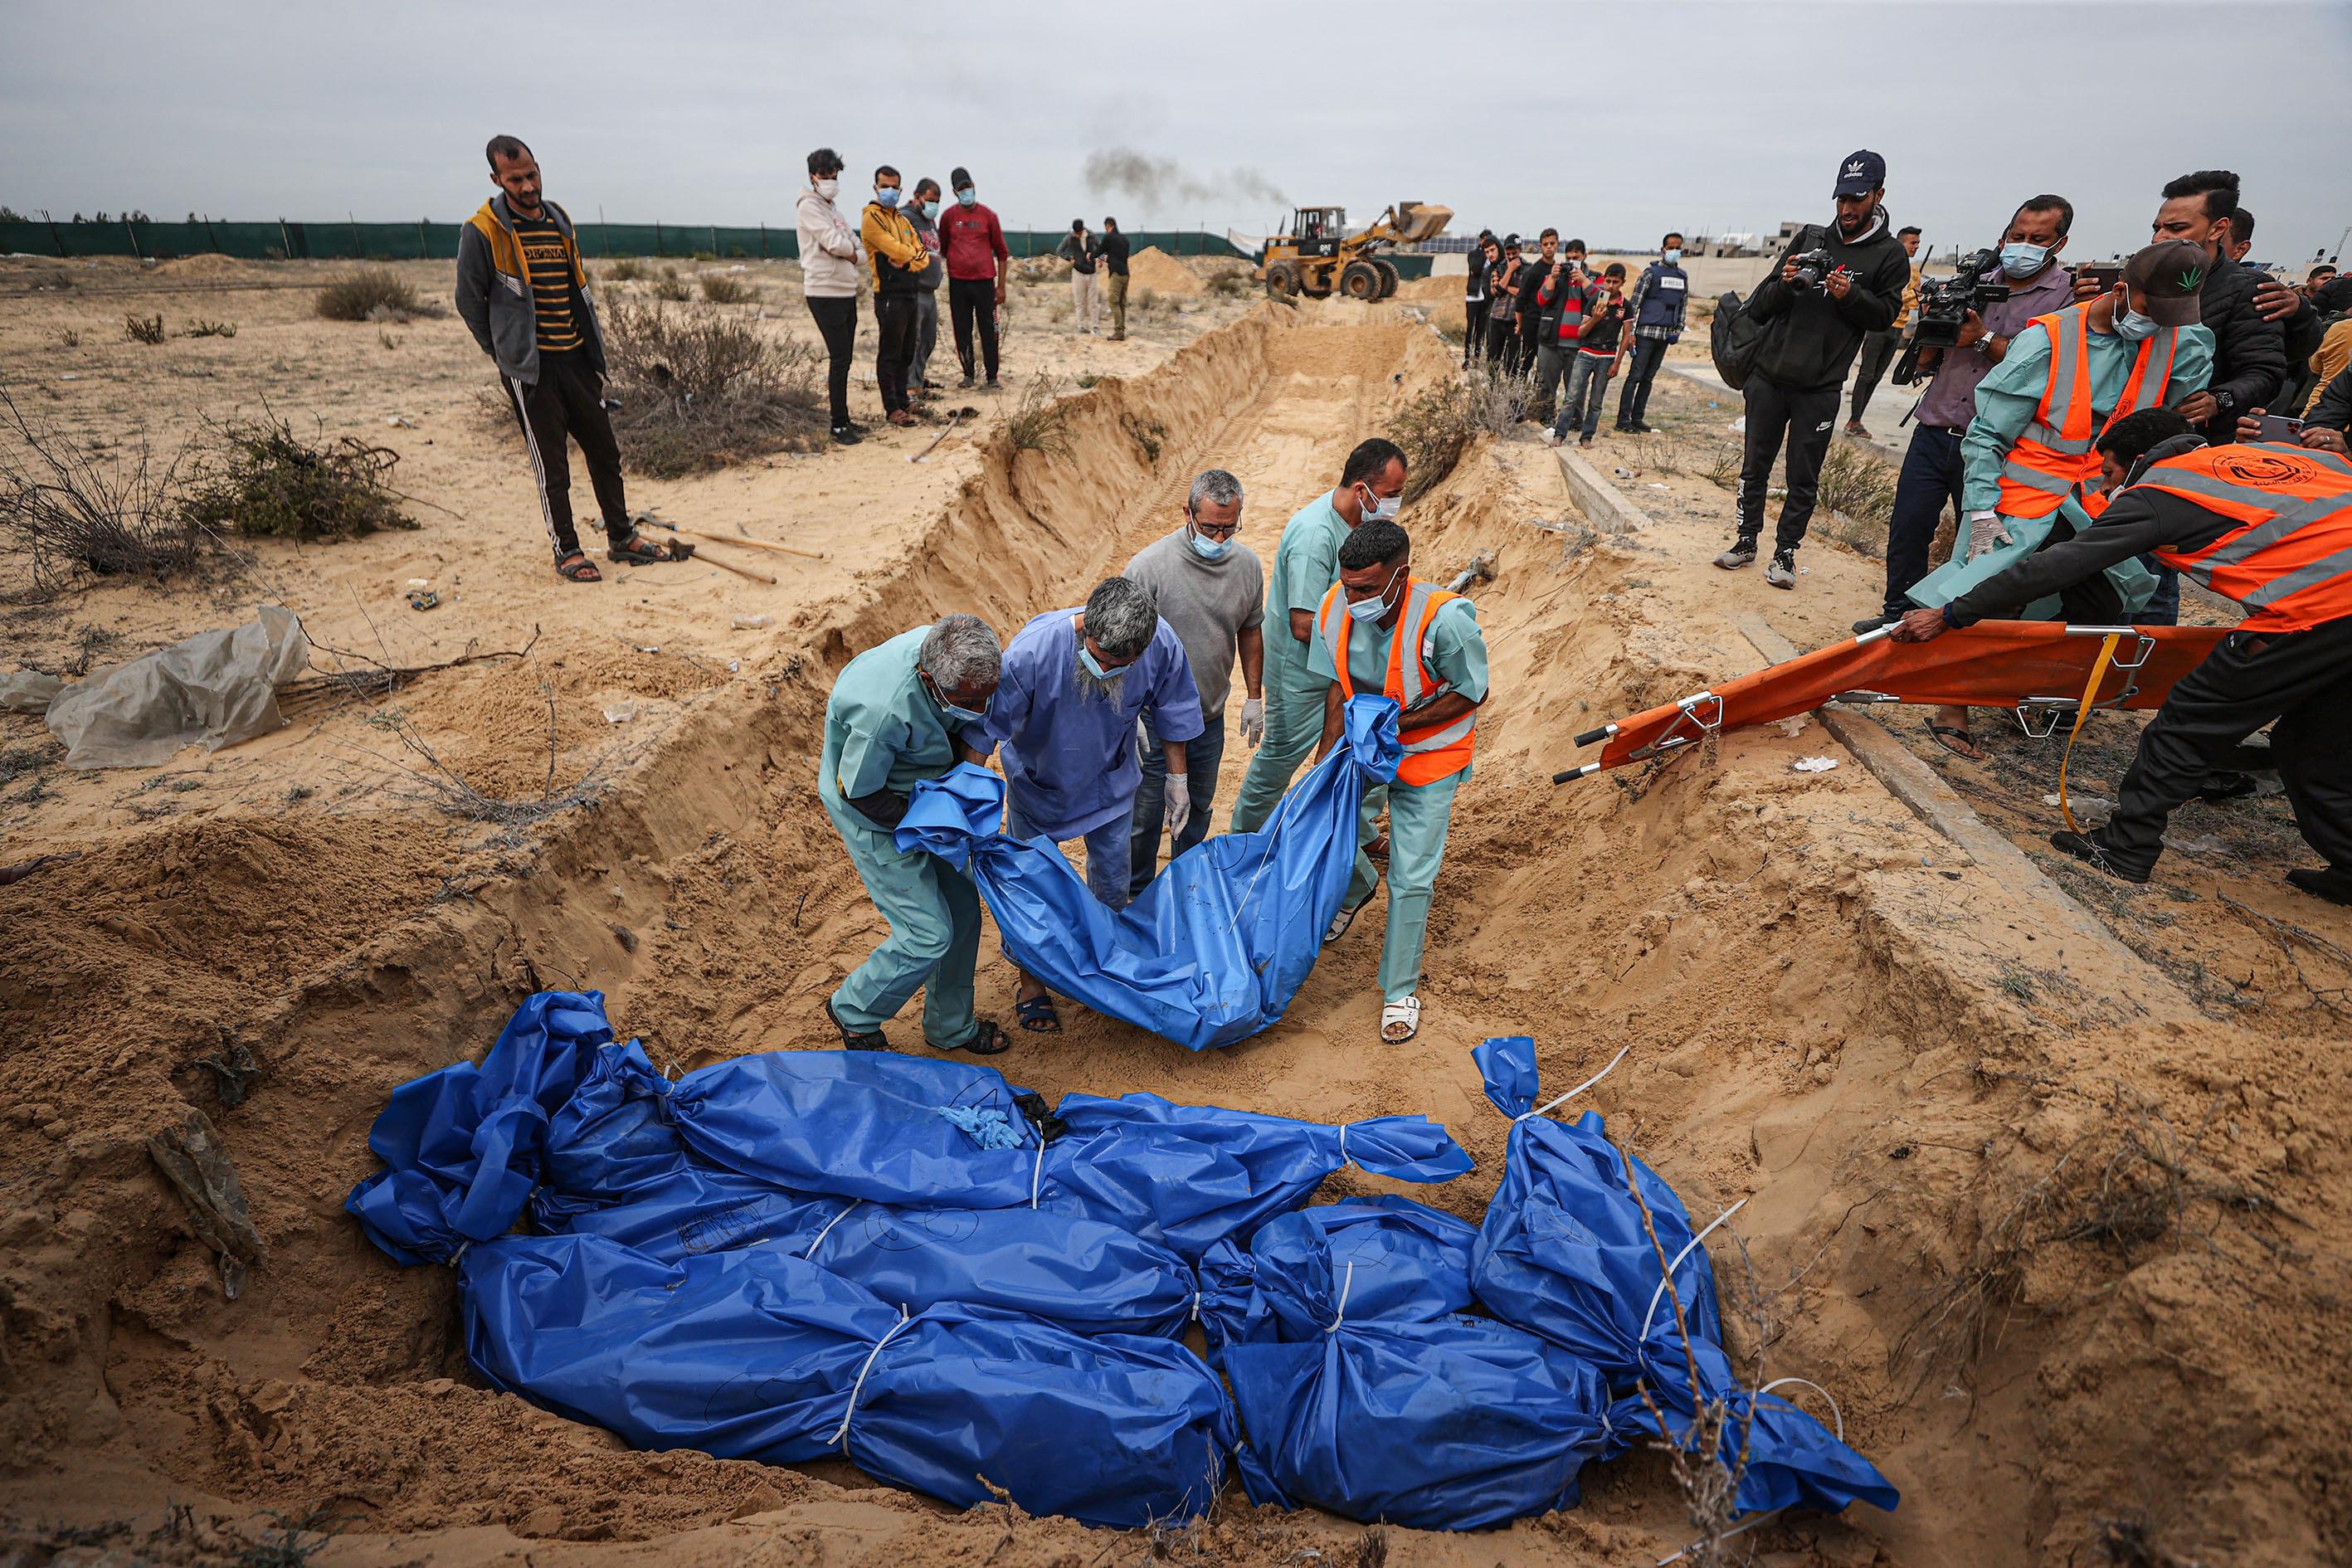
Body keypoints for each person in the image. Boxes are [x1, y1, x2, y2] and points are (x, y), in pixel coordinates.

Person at [1893, 407, 2352, 907]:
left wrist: (1954, 612)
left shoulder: (2166, 490)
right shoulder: (2284, 457)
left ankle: (2126, 846)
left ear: (2136, 462)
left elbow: (2061, 565)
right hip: (2333, 612)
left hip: (2320, 611)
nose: (2105, 484)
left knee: (2188, 722)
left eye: (2108, 472)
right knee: (2313, 743)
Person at [1907, 239, 2213, 758]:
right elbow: (1988, 433)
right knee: (1985, 587)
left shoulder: (2186, 342)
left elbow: (2169, 427)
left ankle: (2018, 689)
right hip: (2024, 490)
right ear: (2121, 290)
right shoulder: (2048, 340)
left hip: (2102, 497)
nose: (2157, 323)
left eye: (2169, 314)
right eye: (2148, 309)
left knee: (2102, 599)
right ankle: (1951, 703)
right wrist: (1980, 508)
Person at [978, 577, 1203, 1033]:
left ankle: (1107, 965)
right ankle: (1032, 982)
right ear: (1085, 632)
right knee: (1031, 887)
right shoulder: (1030, 655)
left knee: (1113, 882)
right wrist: (967, 797)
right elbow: (984, 731)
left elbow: (1173, 706)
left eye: (1121, 666)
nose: (1108, 670)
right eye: (1100, 659)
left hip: (1110, 781)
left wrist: (1177, 779)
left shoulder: (1160, 643)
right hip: (1041, 783)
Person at [1855, 196, 2082, 635]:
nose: (2024, 246)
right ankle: (1896, 614)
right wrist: (1933, 322)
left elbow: (2045, 369)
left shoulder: (2068, 299)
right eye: (2018, 236)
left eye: (2038, 239)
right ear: (2004, 235)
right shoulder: (1972, 279)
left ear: (2060, 243)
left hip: (1998, 443)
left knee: (1979, 542)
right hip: (1935, 425)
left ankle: (1959, 624)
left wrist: (1982, 339)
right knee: (1908, 527)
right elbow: (1925, 362)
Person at [458, 135, 674, 583]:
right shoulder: (482, 231)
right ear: (497, 179)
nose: (527, 186)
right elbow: (469, 301)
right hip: (532, 370)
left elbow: (576, 289)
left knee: (604, 452)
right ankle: (568, 549)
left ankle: (621, 536)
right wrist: (503, 353)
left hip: (576, 360)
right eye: (515, 179)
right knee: (552, 465)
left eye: (532, 175)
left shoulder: (559, 220)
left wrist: (589, 352)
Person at [1310, 519, 1488, 1045]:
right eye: (1348, 585)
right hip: (1363, 747)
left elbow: (1471, 691)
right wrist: (1326, 758)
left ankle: (1398, 989)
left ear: (1401, 575)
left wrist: (1397, 722)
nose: (1354, 597)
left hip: (1428, 758)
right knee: (1334, 827)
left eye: (1366, 588)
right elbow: (1337, 688)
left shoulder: (1445, 621)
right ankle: (1358, 884)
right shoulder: (1332, 608)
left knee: (1411, 877)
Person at [1712, 149, 1910, 590]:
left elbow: (1885, 317)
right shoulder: (1811, 238)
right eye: (1841, 198)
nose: (1846, 209)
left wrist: (1849, 296)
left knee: (1804, 476)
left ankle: (1785, 554)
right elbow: (1759, 308)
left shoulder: (1890, 255)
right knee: (1754, 467)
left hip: (1820, 386)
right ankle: (1746, 542)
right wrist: (1784, 285)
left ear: (1878, 195)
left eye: (1857, 199)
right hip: (1769, 377)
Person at [819, 614, 1010, 1055]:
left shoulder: (959, 653)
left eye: (987, 699)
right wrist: (928, 822)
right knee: (927, 933)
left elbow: (969, 722)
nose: (980, 711)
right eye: (968, 701)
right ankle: (854, 1010)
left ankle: (950, 1027)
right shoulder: (882, 712)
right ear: (929, 680)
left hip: (927, 793)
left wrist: (949, 803)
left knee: (963, 912)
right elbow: (860, 793)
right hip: (875, 811)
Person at [1229, 438, 1408, 833]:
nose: (1396, 503)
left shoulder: (1363, 524)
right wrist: (1368, 645)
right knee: (1280, 758)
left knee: (1358, 749)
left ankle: (1356, 835)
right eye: (1391, 495)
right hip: (1302, 673)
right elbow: (1303, 624)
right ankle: (1244, 841)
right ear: (1362, 490)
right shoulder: (1315, 537)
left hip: (1339, 667)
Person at [1122, 470, 1266, 896]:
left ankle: (1180, 894)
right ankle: (1135, 896)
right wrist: (1125, 716)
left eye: (1229, 528)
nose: (1220, 538)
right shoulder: (1149, 569)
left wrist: (1254, 696)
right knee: (1144, 815)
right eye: (1210, 528)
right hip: (1152, 719)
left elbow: (1250, 629)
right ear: (1187, 514)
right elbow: (1119, 646)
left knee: (1196, 811)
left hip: (1208, 717)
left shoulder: (1247, 567)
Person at [795, 147, 864, 446]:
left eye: (834, 174)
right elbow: (835, 244)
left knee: (846, 358)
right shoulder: (809, 207)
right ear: (813, 176)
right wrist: (848, 251)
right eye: (825, 175)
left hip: (846, 290)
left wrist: (850, 253)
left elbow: (857, 248)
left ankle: (845, 418)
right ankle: (837, 426)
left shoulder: (834, 210)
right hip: (824, 291)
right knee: (839, 359)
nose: (831, 179)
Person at [859, 166, 930, 430]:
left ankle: (903, 399)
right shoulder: (872, 218)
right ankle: (892, 407)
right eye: (885, 185)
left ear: (901, 189)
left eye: (894, 186)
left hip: (909, 292)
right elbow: (893, 250)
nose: (890, 191)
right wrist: (909, 255)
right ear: (876, 187)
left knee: (906, 350)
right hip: (889, 294)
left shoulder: (901, 220)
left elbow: (921, 254)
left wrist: (908, 260)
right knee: (890, 352)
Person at [1846, 225, 1921, 436]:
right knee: (1866, 374)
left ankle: (1857, 419)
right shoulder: (1886, 267)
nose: (1916, 247)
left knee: (1877, 376)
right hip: (1879, 326)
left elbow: (1915, 300)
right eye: (1912, 243)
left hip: (1898, 328)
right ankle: (1854, 420)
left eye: (1918, 244)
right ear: (1901, 243)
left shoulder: (1914, 272)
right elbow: (1890, 297)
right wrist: (1909, 297)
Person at [939, 167, 1009, 391]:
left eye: (968, 187)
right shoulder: (949, 217)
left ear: (974, 186)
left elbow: (1002, 253)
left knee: (989, 329)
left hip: (984, 283)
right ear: (954, 192)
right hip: (959, 283)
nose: (966, 191)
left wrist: (1001, 286)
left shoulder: (988, 216)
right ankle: (968, 374)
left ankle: (991, 376)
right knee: (962, 329)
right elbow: (943, 247)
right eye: (961, 189)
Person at [1616, 231, 1690, 434]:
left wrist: (1678, 329)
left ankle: (1638, 418)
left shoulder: (1682, 277)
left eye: (1678, 248)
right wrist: (1630, 333)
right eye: (1671, 248)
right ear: (1663, 250)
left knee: (1648, 378)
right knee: (1635, 376)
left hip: (1665, 335)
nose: (1674, 251)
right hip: (1646, 333)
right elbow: (1635, 304)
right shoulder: (1650, 274)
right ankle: (1623, 419)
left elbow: (1682, 305)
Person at [1551, 264, 1629, 448]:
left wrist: (1617, 363)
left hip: (1607, 356)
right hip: (1586, 353)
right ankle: (1559, 434)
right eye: (1608, 281)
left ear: (1622, 283)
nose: (1610, 286)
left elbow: (1626, 336)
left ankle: (1587, 436)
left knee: (1596, 401)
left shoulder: (1626, 306)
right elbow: (1581, 332)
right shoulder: (1595, 299)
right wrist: (1595, 319)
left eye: (1615, 282)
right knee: (1572, 396)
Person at [1526, 232, 1585, 423]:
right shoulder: (1556, 275)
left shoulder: (1593, 278)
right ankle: (1545, 415)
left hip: (1578, 344)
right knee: (1546, 383)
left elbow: (1597, 299)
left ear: (1584, 257)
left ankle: (1574, 420)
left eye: (1576, 258)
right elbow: (1541, 298)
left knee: (1576, 386)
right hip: (1552, 340)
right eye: (1569, 257)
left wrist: (1583, 280)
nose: (1572, 261)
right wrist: (1553, 278)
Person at [901, 178, 946, 400]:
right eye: (929, 200)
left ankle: (917, 380)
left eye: (937, 201)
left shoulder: (930, 221)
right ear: (916, 196)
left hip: (931, 290)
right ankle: (910, 386)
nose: (933, 206)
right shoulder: (905, 218)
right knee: (913, 339)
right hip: (914, 288)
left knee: (928, 339)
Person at [1519, 231, 1567, 382]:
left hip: (1550, 324)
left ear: (1558, 245)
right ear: (1540, 246)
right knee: (1526, 359)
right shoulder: (1533, 271)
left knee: (1545, 364)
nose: (1549, 247)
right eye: (1545, 244)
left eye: (1552, 244)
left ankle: (1540, 397)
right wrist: (1520, 324)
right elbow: (1521, 300)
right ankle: (1519, 395)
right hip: (1532, 322)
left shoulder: (1559, 271)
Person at [1483, 236, 1526, 372]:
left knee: (1512, 363)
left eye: (1515, 253)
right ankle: (1491, 390)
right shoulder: (1500, 268)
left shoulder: (1528, 269)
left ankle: (1509, 390)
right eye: (1509, 254)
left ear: (1520, 251)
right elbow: (1496, 291)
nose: (1512, 256)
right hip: (1497, 319)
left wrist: (1504, 285)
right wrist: (1510, 270)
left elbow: (1524, 294)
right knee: (1493, 360)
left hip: (1515, 321)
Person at [1059, 220, 1100, 334]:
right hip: (1078, 272)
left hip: (1092, 272)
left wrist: (1099, 257)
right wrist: (1069, 258)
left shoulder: (1092, 236)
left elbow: (1100, 248)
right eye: (1076, 233)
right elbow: (1060, 250)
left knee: (1093, 302)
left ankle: (1096, 327)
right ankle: (1080, 326)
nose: (1077, 235)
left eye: (1079, 233)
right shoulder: (1070, 237)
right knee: (1080, 302)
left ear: (1083, 230)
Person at [1463, 231, 1494, 368]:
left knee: (1481, 329)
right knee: (1471, 327)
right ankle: (1467, 357)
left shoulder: (1493, 258)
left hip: (1486, 298)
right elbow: (1475, 269)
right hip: (1473, 296)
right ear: (1481, 240)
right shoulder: (1474, 254)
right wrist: (1484, 254)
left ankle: (1476, 357)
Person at [1098, 217, 1132, 341]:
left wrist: (1092, 255)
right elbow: (1120, 256)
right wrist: (1109, 258)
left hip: (1116, 274)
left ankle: (1118, 331)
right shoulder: (1124, 239)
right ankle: (1121, 330)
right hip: (1126, 273)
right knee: (1122, 303)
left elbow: (1100, 250)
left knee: (1113, 301)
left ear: (1108, 226)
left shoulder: (1109, 237)